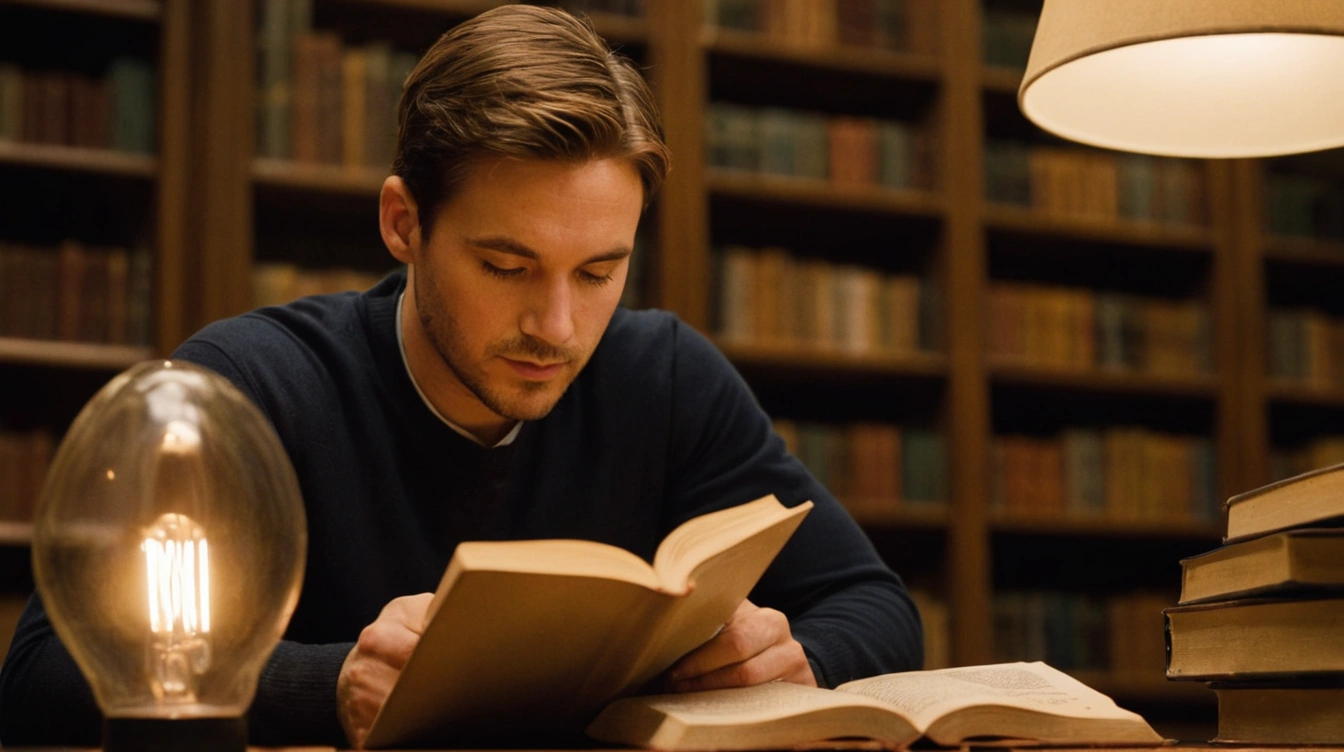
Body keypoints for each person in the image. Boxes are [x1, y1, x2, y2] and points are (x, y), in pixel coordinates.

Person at [0, 5, 922, 748]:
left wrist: (795, 659)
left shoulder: (664, 376)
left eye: (599, 272)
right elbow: (40, 675)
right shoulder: (250, 385)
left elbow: (877, 605)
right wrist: (329, 686)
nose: (557, 327)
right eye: (506, 266)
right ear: (404, 224)